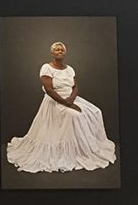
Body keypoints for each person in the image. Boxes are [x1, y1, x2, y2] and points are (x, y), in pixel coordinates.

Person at [7, 42, 116, 172]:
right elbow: (49, 90)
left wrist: (71, 100)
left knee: (95, 111)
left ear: (65, 53)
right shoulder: (46, 68)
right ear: (52, 53)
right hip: (55, 101)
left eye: (62, 50)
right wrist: (67, 103)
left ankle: (87, 148)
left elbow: (75, 87)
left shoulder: (69, 69)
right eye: (57, 50)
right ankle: (69, 152)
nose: (59, 52)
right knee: (75, 116)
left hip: (71, 98)